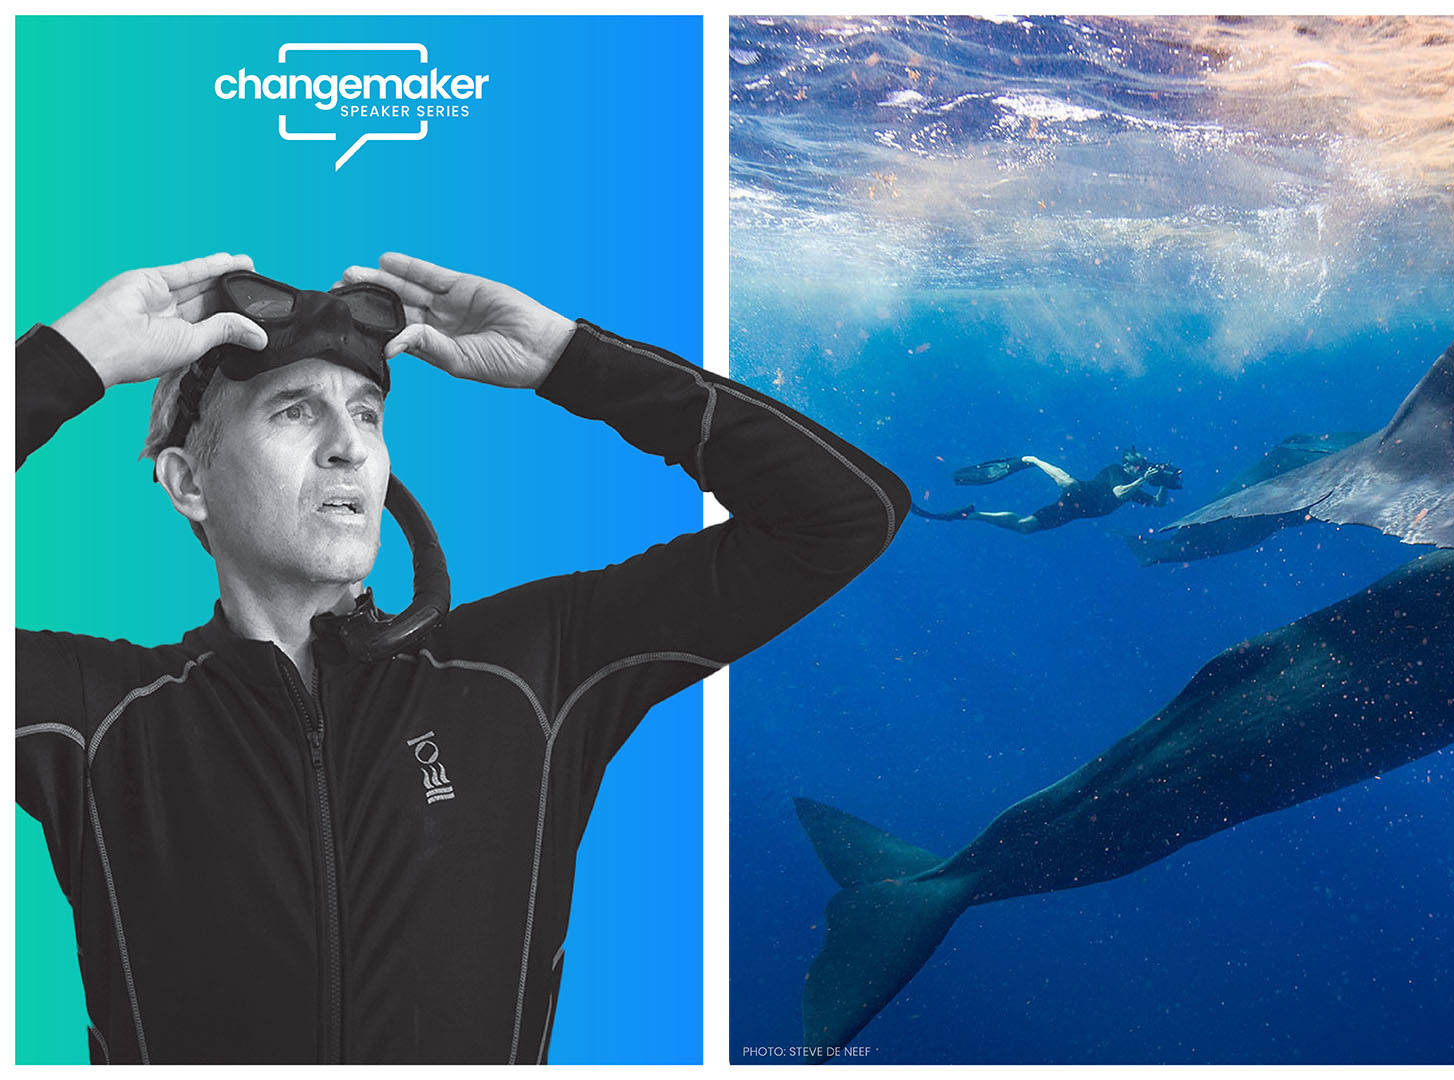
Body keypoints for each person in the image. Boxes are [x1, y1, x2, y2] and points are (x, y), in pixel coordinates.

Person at [14, 252, 909, 1064]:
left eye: (366, 411)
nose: (348, 445)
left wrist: (569, 359)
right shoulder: (93, 717)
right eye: (295, 409)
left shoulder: (530, 670)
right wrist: (63, 362)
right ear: (187, 483)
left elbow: (844, 515)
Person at [911, 447, 1180, 534]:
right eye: (1138, 466)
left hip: (1077, 512)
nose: (1141, 468)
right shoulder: (1116, 471)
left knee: (1025, 527)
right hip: (1083, 495)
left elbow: (1158, 504)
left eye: (1142, 467)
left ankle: (972, 515)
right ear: (1128, 464)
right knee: (1069, 483)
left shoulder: (1137, 484)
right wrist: (1143, 479)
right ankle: (1033, 460)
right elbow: (1118, 493)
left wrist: (1164, 486)